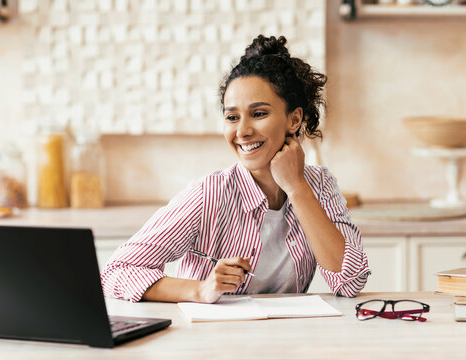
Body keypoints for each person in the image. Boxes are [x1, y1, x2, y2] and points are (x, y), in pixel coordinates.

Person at [101, 35, 371, 304]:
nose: (242, 131)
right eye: (232, 117)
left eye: (259, 113)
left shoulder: (320, 185)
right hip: (214, 341)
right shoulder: (209, 194)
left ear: (294, 119)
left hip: (290, 340)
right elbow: (117, 271)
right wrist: (200, 289)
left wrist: (297, 188)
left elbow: (350, 281)